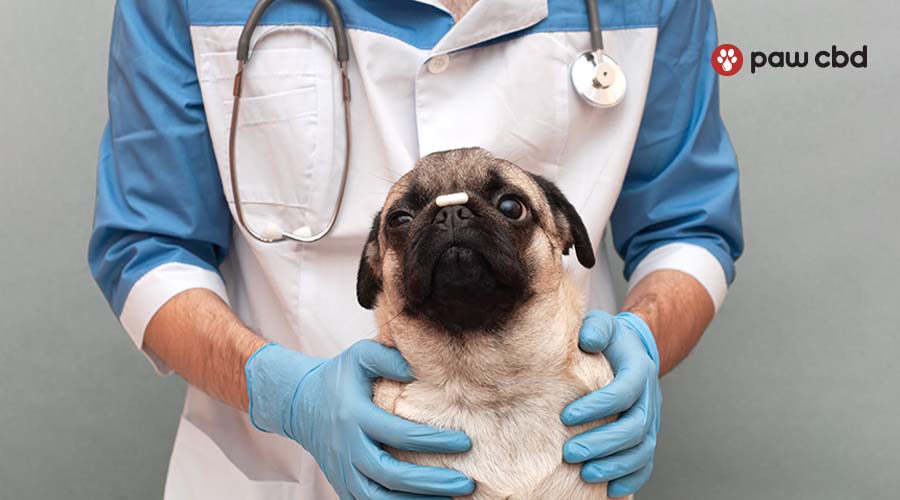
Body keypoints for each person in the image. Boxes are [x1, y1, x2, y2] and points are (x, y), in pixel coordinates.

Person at [88, 0, 743, 498]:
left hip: (567, 458)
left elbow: (687, 225)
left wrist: (644, 342)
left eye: (509, 211)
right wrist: (284, 394)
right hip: (282, 472)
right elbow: (148, 246)